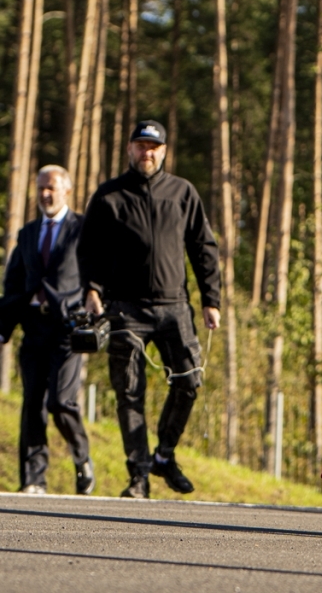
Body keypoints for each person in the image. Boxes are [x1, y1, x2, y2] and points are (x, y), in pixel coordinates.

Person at [79, 120, 220, 499]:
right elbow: (88, 248)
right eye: (141, 145)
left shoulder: (182, 193)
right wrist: (91, 289)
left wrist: (211, 300)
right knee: (129, 393)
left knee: (189, 381)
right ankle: (138, 474)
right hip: (125, 310)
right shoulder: (109, 196)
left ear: (164, 151)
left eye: (154, 146)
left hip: (175, 307)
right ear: (130, 149)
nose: (148, 152)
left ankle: (164, 455)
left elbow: (204, 247)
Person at [0, 165, 92, 494]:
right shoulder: (26, 234)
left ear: (67, 190)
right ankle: (33, 479)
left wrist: (93, 304)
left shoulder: (83, 229)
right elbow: (12, 284)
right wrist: (3, 327)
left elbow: (95, 276)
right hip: (33, 326)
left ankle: (81, 457)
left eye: (51, 187)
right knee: (32, 403)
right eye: (40, 188)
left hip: (67, 329)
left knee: (61, 402)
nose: (45, 194)